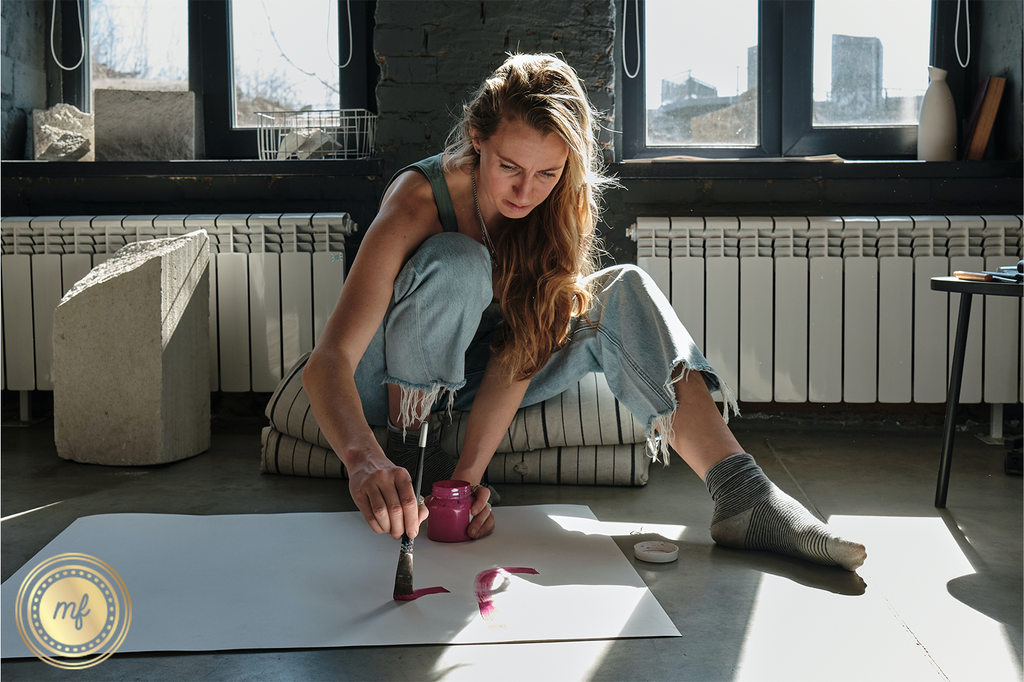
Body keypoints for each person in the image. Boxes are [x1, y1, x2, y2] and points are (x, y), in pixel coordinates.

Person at [303, 53, 866, 571]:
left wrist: (468, 480)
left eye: (547, 174)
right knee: (460, 260)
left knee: (623, 285)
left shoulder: (556, 209)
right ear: (478, 139)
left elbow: (520, 350)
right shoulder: (418, 198)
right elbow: (328, 359)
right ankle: (409, 455)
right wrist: (363, 460)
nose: (526, 191)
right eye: (509, 167)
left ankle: (744, 495)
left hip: (477, 380)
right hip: (393, 384)